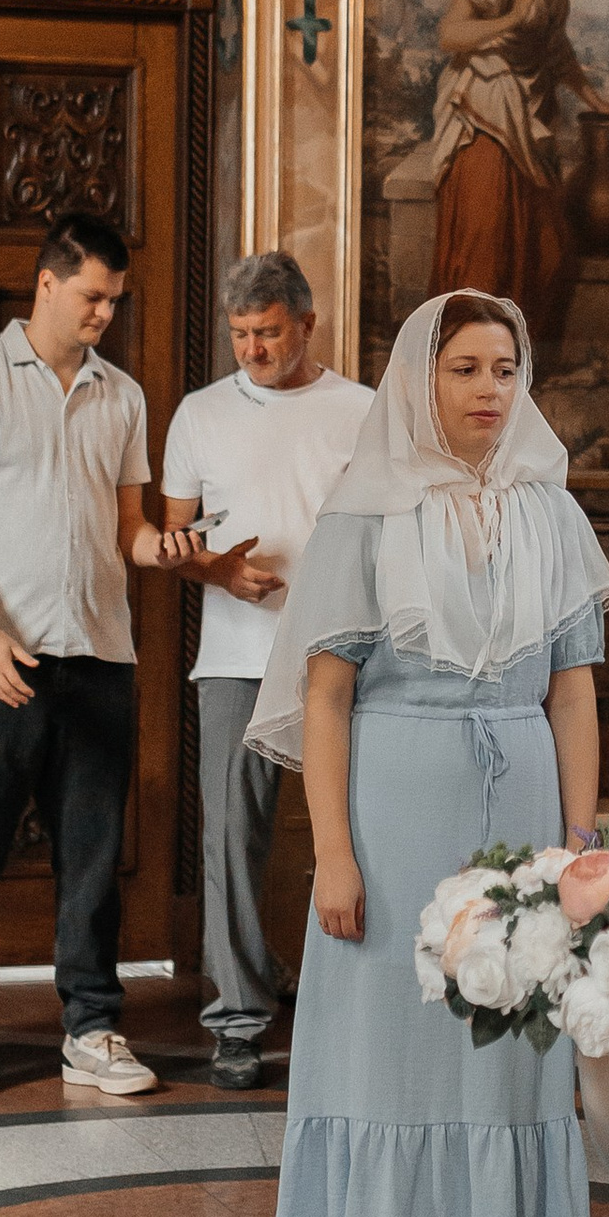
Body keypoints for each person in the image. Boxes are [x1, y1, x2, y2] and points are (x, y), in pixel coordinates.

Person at [250, 292, 609, 1217]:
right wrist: (334, 857)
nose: (488, 390)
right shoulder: (366, 514)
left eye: (505, 367)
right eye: (464, 368)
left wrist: (579, 840)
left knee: (497, 1070)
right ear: (423, 381)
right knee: (400, 1068)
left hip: (518, 814)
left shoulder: (547, 510)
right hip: (395, 815)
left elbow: (571, 689)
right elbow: (323, 696)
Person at [0, 210, 205, 1112]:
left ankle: (91, 1028)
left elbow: (129, 534)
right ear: (45, 283)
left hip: (100, 659)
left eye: (115, 301)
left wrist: (179, 550)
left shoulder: (123, 396)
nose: (104, 314)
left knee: (93, 856)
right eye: (91, 297)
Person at [158, 254, 374, 1092]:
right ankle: (239, 1020)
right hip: (237, 659)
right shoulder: (200, 415)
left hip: (345, 659)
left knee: (351, 837)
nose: (252, 348)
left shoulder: (360, 411)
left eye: (269, 333)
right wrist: (214, 571)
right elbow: (176, 539)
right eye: (241, 334)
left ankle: (348, 1006)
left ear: (307, 325)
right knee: (230, 840)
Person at [428, 0, 599, 352]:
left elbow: (552, 43)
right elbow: (450, 35)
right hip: (486, 113)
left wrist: (589, 95)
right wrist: (507, 19)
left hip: (531, 117)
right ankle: (461, 363)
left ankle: (516, 368)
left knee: (547, 252)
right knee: (485, 250)